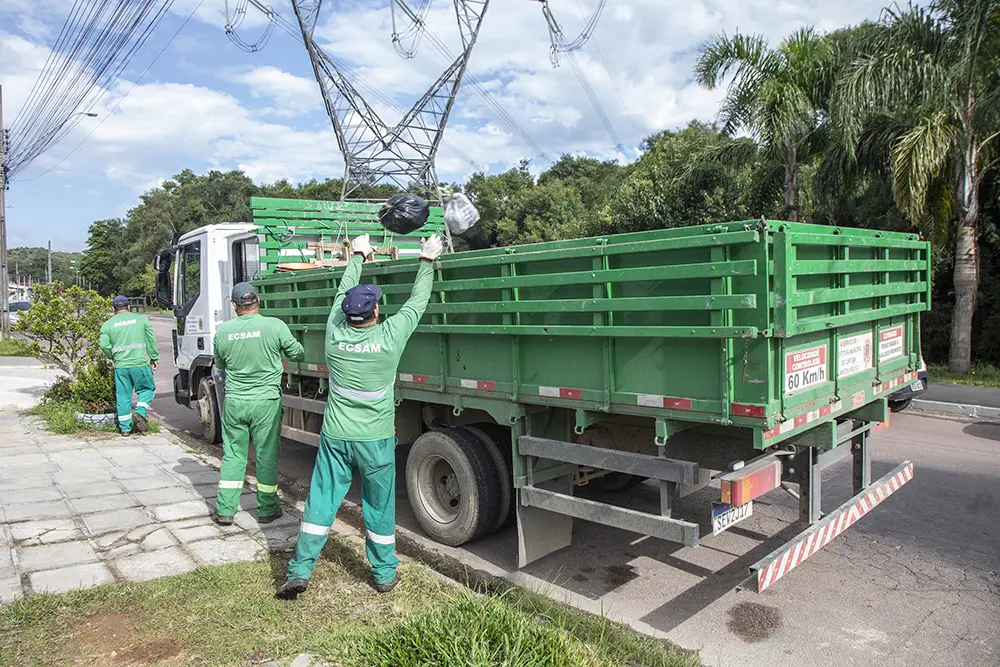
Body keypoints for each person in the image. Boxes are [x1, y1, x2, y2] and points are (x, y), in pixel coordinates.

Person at [276, 231, 443, 599]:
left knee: (321, 502)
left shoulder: (334, 336)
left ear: (349, 315)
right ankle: (383, 574)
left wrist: (357, 256)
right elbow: (418, 302)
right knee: (378, 507)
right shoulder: (390, 337)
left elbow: (341, 295)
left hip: (336, 437)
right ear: (376, 312)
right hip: (375, 440)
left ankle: (300, 571)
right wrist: (427, 260)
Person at [212, 282, 305, 526]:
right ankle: (267, 509)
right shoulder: (274, 326)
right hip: (266, 402)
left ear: (235, 306)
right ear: (258, 302)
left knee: (233, 456)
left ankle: (225, 510)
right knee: (265, 456)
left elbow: (219, 366)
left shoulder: (223, 332)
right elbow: (297, 353)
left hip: (235, 402)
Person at [99, 296, 159, 436]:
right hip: (140, 364)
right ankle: (139, 412)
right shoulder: (141, 320)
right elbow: (151, 340)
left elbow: (104, 345)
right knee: (147, 389)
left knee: (123, 396)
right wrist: (154, 357)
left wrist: (113, 356)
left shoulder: (107, 325)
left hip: (121, 366)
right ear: (129, 307)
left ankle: (125, 429)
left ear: (113, 309)